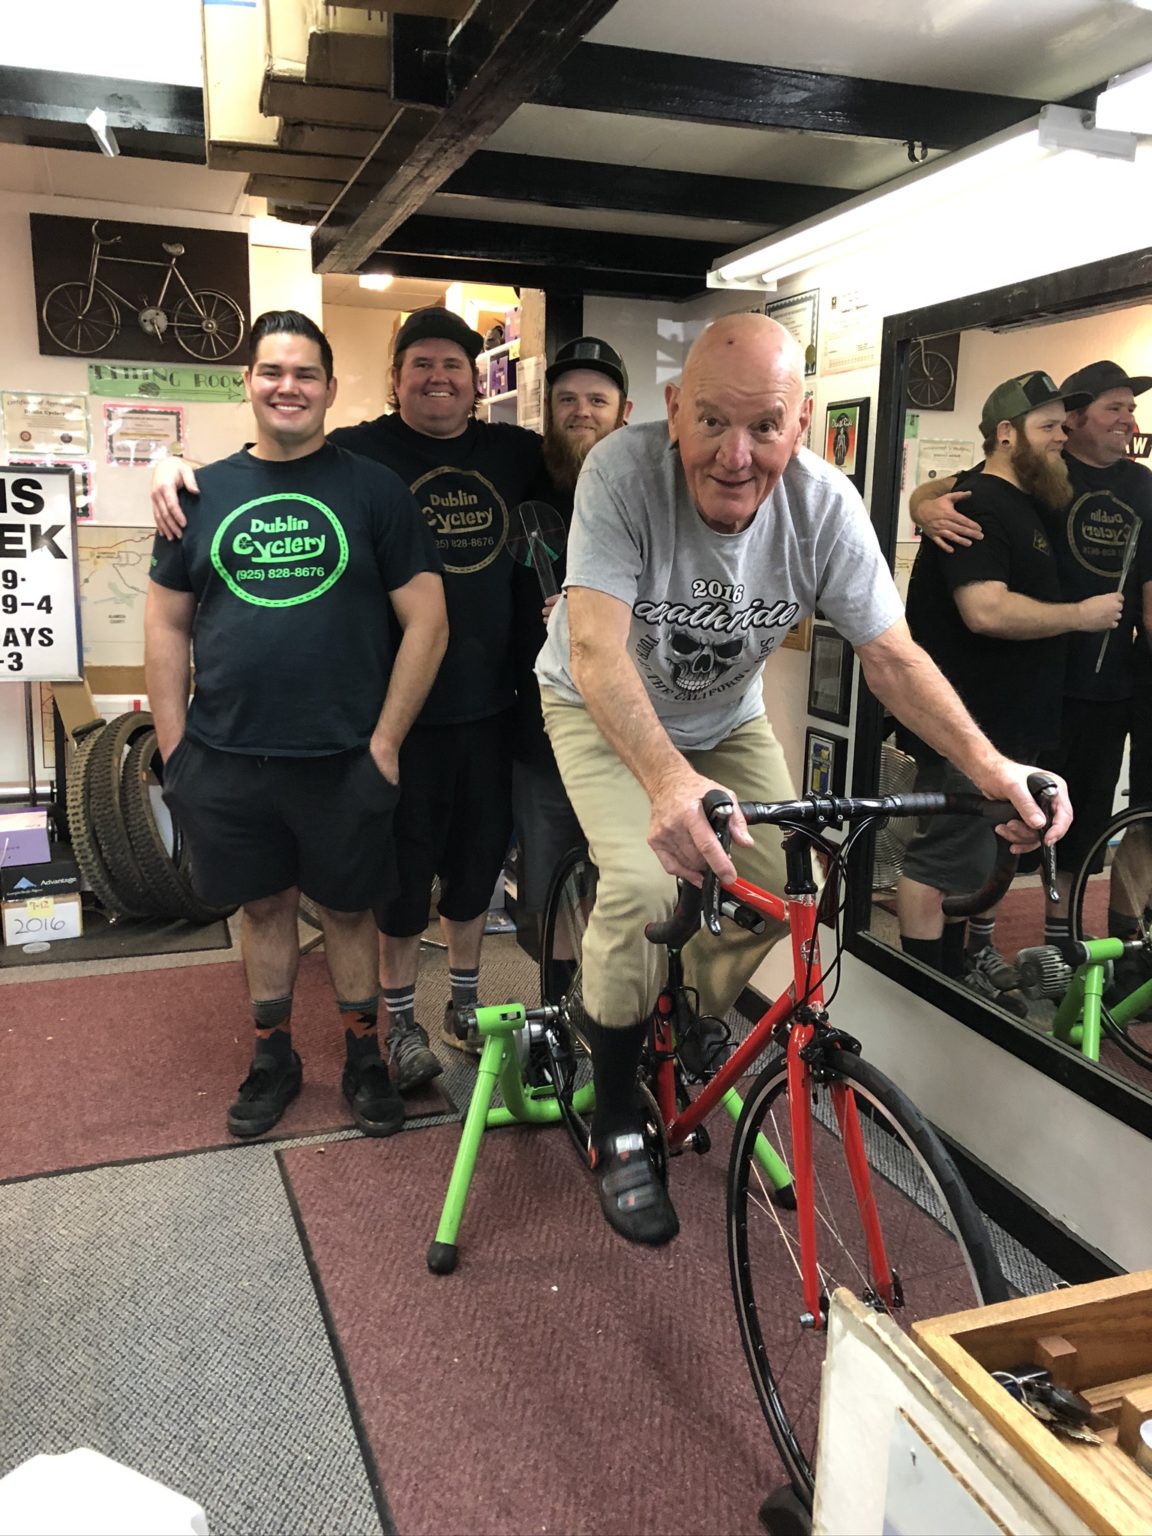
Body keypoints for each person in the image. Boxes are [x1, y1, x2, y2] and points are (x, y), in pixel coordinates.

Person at [534, 313, 1072, 1249]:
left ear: (804, 422)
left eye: (766, 426)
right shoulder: (622, 473)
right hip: (597, 704)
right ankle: (616, 1109)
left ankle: (687, 1007)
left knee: (789, 887)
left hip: (728, 718)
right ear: (673, 410)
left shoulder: (824, 504)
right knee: (645, 881)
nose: (736, 455)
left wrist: (992, 768)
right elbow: (595, 649)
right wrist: (666, 783)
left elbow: (892, 656)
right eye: (711, 423)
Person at [151, 306, 541, 1081]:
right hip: (280, 741)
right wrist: (174, 752)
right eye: (272, 372)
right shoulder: (238, 484)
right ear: (390, 383)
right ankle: (315, 1049)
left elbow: (591, 459)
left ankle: (407, 1034)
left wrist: (383, 744)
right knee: (308, 901)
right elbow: (168, 624)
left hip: (423, 726)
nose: (288, 387)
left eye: (305, 375)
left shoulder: (468, 465)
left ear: (331, 387)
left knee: (413, 889)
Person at [910, 360, 1152, 950]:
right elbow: (961, 495)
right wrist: (920, 503)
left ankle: (1053, 946)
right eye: (1114, 408)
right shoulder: (1036, 475)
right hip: (1004, 699)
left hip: (1092, 694)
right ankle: (964, 952)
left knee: (1060, 830)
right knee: (984, 834)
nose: (1129, 418)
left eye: (1131, 408)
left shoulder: (1130, 485)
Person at [511, 337, 633, 948]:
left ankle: (623, 1020)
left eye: (596, 399)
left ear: (624, 411)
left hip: (631, 729)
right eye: (567, 399)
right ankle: (562, 1012)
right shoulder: (517, 471)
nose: (581, 411)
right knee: (553, 884)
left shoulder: (654, 490)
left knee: (629, 884)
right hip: (540, 733)